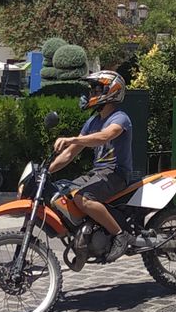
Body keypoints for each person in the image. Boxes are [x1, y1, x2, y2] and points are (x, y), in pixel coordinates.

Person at [49, 70, 144, 261]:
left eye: (96, 89)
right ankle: (86, 240)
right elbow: (69, 154)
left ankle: (120, 235)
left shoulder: (120, 117)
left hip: (116, 174)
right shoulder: (92, 121)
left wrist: (72, 139)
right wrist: (46, 171)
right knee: (63, 195)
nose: (91, 94)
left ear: (110, 91)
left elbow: (105, 136)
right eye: (92, 90)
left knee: (83, 198)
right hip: (98, 173)